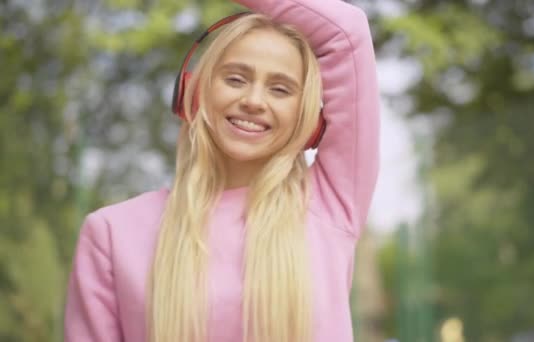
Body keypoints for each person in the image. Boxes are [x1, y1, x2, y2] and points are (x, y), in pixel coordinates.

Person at [64, 0, 380, 341]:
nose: (254, 100)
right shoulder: (111, 235)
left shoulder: (329, 205)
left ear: (308, 118)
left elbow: (347, 32)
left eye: (280, 88)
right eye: (235, 79)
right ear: (196, 91)